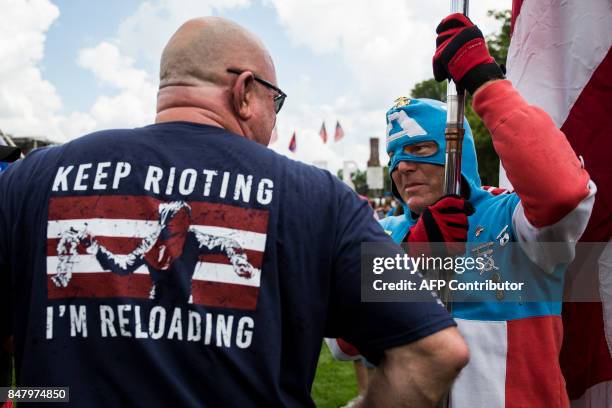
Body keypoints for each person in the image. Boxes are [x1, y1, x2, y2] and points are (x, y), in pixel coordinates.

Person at [0, 17, 469, 406]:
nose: (275, 118)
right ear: (245, 91)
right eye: (275, 101)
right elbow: (435, 352)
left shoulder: (28, 181)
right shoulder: (315, 198)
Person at [330, 13, 596, 407]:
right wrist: (408, 269)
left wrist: (485, 81)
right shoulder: (383, 234)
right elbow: (339, 341)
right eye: (394, 156)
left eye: (420, 150)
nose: (402, 165)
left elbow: (564, 191)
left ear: (458, 155)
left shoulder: (514, 219)